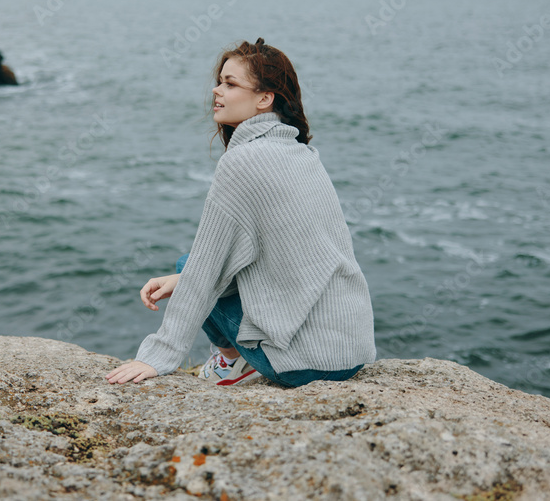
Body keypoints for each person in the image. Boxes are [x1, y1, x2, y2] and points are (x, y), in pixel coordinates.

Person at [105, 38, 376, 387]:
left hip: (303, 365)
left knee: (189, 265)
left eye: (230, 84)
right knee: (186, 270)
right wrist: (183, 281)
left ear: (265, 99)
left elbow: (205, 269)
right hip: (350, 353)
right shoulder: (303, 155)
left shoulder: (243, 161)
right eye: (220, 81)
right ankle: (234, 359)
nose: (217, 91)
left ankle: (231, 362)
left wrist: (158, 356)